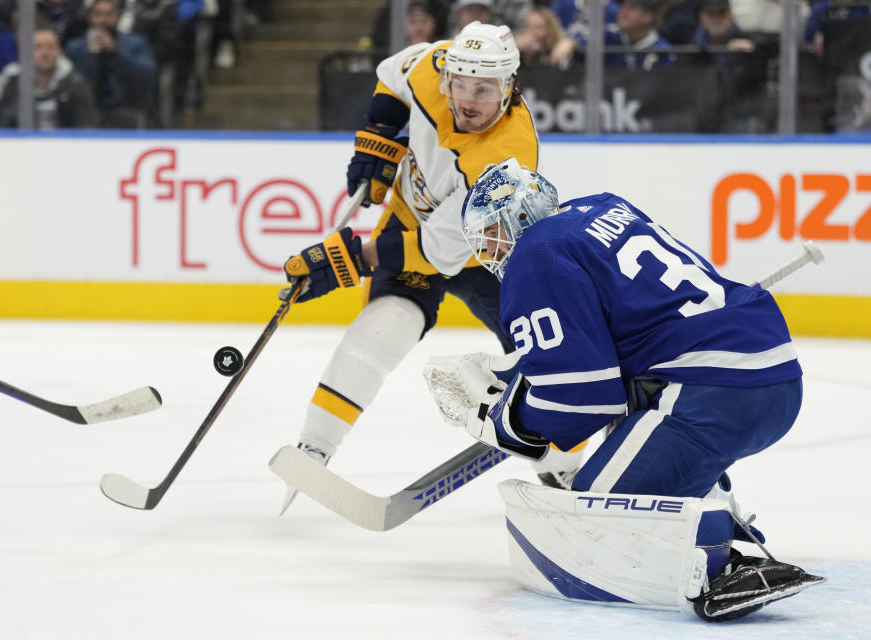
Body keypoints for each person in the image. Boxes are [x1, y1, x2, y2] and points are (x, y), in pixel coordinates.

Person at [440, 157, 823, 620]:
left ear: (516, 218)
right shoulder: (602, 208)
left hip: (716, 389)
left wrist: (510, 421)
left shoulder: (533, 255)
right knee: (637, 408)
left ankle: (715, 562)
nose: (492, 251)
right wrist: (519, 378)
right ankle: (710, 505)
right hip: (769, 374)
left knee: (596, 517)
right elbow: (613, 343)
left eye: (491, 234)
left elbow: (583, 399)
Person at [276, 22, 584, 514]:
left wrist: (354, 258)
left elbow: (444, 250)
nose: (467, 98)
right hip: (409, 220)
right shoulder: (432, 65)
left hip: (490, 253)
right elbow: (391, 75)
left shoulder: (506, 162)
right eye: (460, 85)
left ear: (509, 87)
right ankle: (314, 447)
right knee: (381, 330)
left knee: (543, 353)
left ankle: (565, 467)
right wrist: (377, 136)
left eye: (483, 89)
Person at [65, 0, 156, 128]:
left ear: (118, 17)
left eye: (109, 15)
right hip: (86, 109)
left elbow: (148, 74)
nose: (103, 20)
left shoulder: (135, 43)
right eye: (98, 14)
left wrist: (116, 52)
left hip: (125, 107)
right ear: (90, 17)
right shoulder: (75, 48)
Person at [0, 27, 97, 128]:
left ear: (59, 51)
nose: (45, 53)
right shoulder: (13, 83)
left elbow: (86, 127)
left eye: (51, 47)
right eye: (38, 47)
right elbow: (3, 126)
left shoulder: (76, 86)